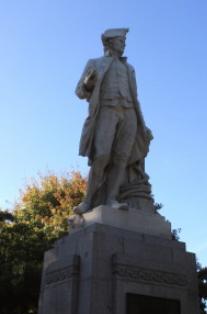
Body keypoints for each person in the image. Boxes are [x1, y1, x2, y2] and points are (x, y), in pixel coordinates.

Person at [74, 28, 153, 215]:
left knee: (122, 158)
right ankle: (88, 201)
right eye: (120, 40)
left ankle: (111, 199)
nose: (124, 44)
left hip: (130, 113)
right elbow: (80, 92)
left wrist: (143, 124)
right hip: (107, 111)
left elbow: (136, 98)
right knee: (101, 155)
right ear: (109, 43)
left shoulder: (129, 68)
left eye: (124, 41)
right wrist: (88, 82)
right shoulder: (94, 63)